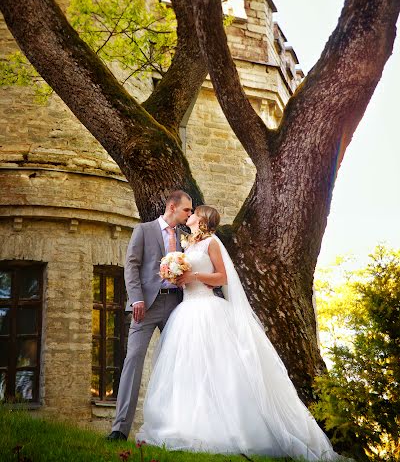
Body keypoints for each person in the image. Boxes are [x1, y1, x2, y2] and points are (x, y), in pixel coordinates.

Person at [136, 205, 344, 461]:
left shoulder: (211, 243)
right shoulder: (187, 246)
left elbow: (222, 277)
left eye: (194, 212)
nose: (189, 215)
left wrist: (194, 275)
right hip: (187, 311)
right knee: (189, 370)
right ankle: (188, 424)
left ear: (202, 219)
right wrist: (176, 275)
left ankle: (233, 428)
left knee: (218, 369)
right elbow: (185, 276)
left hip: (207, 309)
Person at [107, 190, 193, 441]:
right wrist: (137, 298)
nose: (189, 215)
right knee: (133, 360)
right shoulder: (143, 230)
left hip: (177, 305)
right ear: (172, 207)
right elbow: (131, 265)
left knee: (180, 363)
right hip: (145, 307)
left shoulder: (185, 236)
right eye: (187, 210)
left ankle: (178, 427)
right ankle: (119, 429)